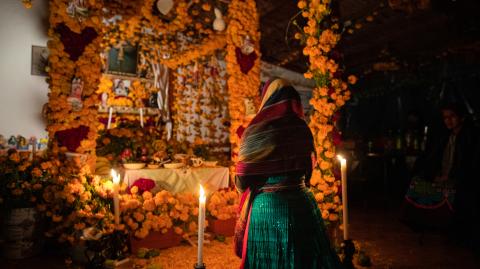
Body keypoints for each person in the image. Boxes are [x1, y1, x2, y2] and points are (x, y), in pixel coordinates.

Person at [234, 79, 342, 269]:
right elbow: (309, 167)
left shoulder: (255, 131)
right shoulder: (302, 128)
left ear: (267, 98)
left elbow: (243, 177)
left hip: (267, 208)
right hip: (302, 203)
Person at [403, 103, 478, 242]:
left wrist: (452, 178)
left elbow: (468, 165)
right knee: (416, 184)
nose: (448, 121)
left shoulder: (470, 138)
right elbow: (432, 158)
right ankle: (424, 224)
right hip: (442, 178)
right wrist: (433, 175)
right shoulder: (445, 136)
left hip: (459, 182)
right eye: (445, 117)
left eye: (452, 116)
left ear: (461, 117)